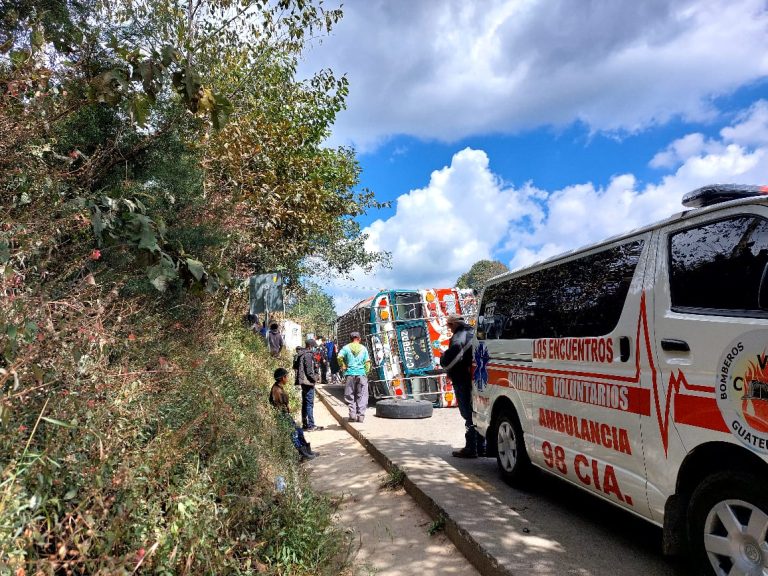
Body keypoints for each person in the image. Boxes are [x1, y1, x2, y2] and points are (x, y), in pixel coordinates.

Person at [441, 314, 486, 458]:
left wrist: (443, 359)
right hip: (480, 378)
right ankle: (482, 446)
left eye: (448, 325)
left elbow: (453, 356)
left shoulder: (458, 336)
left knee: (468, 413)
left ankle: (471, 448)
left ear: (454, 324)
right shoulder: (476, 332)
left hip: (463, 379)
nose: (449, 328)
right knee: (479, 411)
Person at [269, 368, 317, 461]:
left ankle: (307, 451)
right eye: (286, 376)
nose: (287, 378)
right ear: (283, 378)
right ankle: (302, 454)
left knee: (299, 431)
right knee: (294, 433)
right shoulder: (276, 390)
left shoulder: (278, 387)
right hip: (282, 416)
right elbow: (278, 405)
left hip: (285, 415)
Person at [337, 332, 371, 423]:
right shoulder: (363, 348)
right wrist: (365, 372)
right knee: (362, 395)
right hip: (361, 374)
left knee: (350, 394)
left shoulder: (346, 348)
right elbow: (367, 362)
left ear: (350, 339)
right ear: (359, 338)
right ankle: (360, 417)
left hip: (350, 374)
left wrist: (343, 366)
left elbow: (339, 357)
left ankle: (352, 415)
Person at [295, 338, 323, 431]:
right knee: (309, 404)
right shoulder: (308, 355)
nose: (314, 349)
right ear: (310, 346)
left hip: (303, 382)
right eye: (314, 347)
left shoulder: (301, 353)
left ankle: (305, 424)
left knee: (305, 403)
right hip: (308, 382)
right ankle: (311, 425)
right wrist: (314, 379)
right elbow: (309, 370)